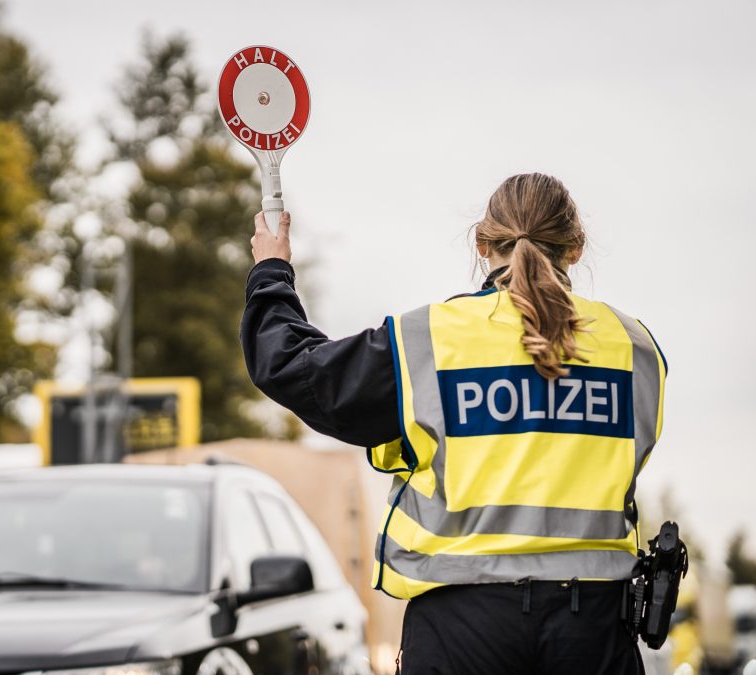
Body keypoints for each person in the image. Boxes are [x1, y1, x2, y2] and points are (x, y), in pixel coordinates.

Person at [240, 173, 666, 674]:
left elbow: (294, 368)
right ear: (575, 246)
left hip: (462, 630)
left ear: (483, 243)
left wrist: (272, 269)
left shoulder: (430, 341)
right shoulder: (634, 346)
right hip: (593, 631)